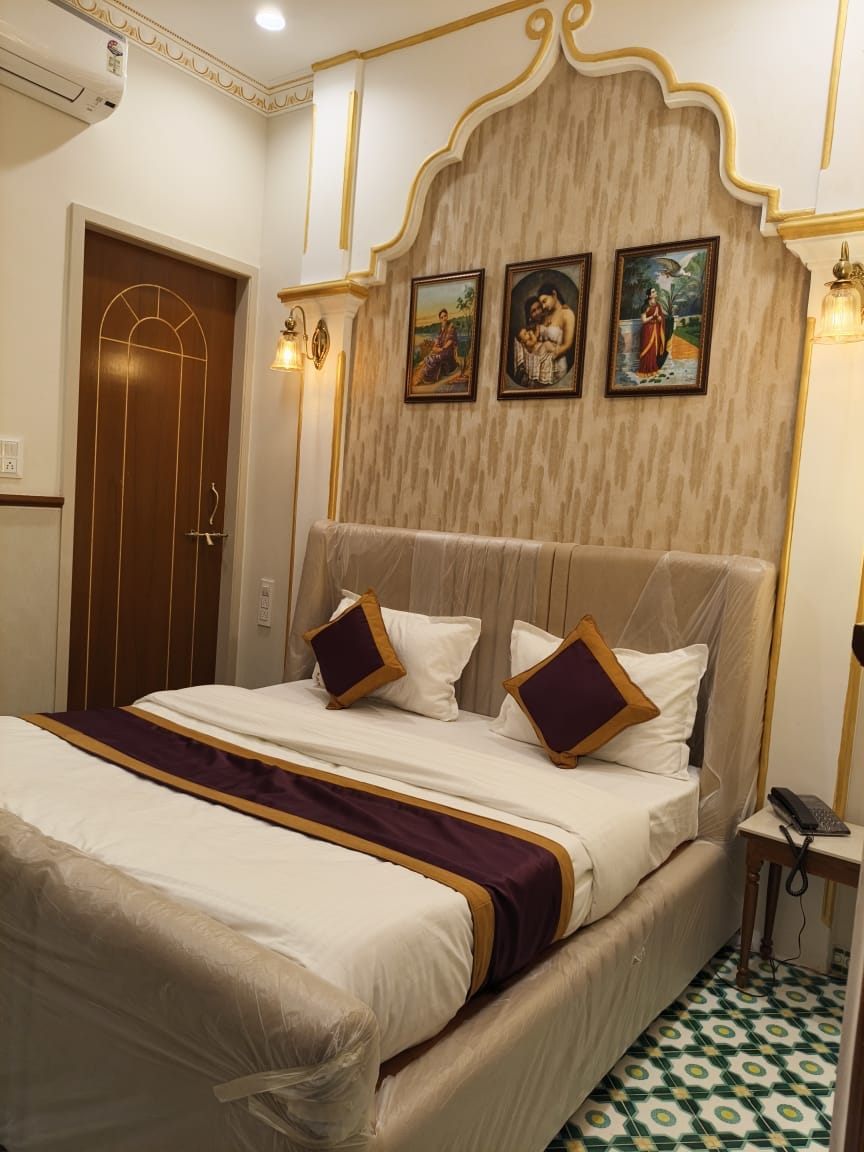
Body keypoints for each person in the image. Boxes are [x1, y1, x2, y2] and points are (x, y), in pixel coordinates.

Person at [536, 283, 576, 383]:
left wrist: (550, 356)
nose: (543, 306)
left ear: (554, 294)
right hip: (542, 366)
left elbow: (567, 345)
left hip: (557, 366)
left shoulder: (567, 314)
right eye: (541, 304)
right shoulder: (544, 316)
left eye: (545, 301)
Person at [419, 309, 459, 383]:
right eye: (442, 317)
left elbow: (450, 341)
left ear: (447, 316)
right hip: (441, 351)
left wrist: (442, 349)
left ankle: (431, 378)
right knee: (431, 356)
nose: (444, 318)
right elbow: (437, 341)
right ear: (440, 319)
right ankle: (426, 376)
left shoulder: (451, 327)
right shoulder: (440, 330)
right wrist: (435, 348)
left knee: (433, 358)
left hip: (448, 351)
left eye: (445, 316)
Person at [636, 287, 666, 377]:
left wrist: (660, 318)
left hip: (655, 329)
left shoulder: (658, 305)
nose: (655, 292)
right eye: (653, 291)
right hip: (647, 330)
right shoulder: (645, 306)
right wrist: (653, 316)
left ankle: (653, 368)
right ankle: (645, 370)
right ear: (649, 295)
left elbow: (661, 317)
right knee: (647, 349)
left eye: (655, 291)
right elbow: (644, 320)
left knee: (653, 349)